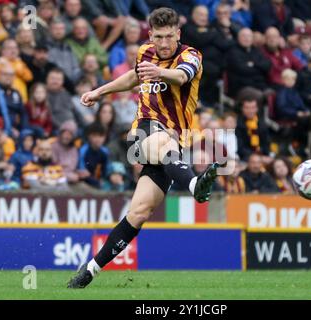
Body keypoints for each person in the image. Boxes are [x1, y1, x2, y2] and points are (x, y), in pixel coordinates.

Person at [67, 8, 220, 288]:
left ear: (178, 34)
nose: (163, 43)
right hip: (143, 132)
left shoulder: (190, 56)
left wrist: (159, 71)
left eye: (169, 37)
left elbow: (182, 77)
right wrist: (99, 92)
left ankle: (89, 271)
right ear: (150, 34)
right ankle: (195, 183)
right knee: (160, 140)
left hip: (173, 149)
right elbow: (133, 78)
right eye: (158, 37)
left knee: (139, 213)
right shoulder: (144, 53)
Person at [226, 28, 271, 98]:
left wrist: (253, 64)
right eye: (244, 36)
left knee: (273, 94)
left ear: (252, 39)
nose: (246, 38)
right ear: (238, 38)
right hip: (241, 87)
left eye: (249, 36)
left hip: (259, 85)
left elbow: (267, 65)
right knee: (258, 95)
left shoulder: (256, 50)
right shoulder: (233, 52)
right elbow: (242, 70)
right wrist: (259, 68)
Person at [51, 120, 80, 185]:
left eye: (69, 134)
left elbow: (73, 164)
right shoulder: (54, 146)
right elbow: (54, 163)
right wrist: (63, 166)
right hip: (56, 172)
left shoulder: (73, 149)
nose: (66, 136)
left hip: (69, 173)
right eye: (65, 133)